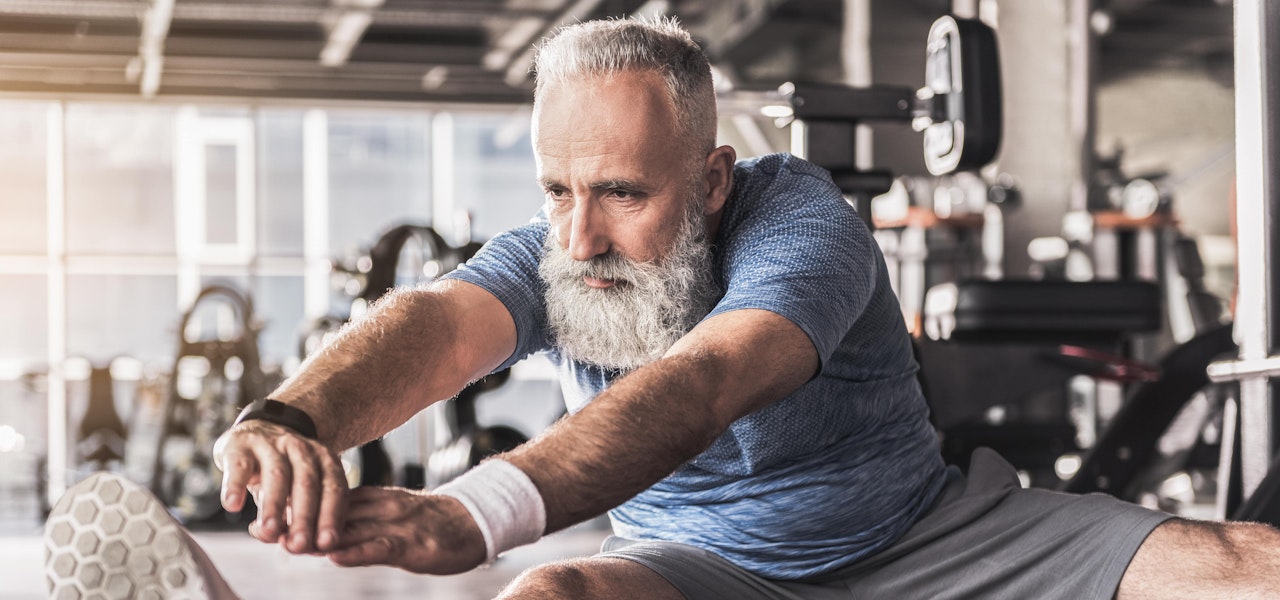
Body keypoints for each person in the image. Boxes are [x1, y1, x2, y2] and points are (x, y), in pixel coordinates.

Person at [48, 15, 1280, 600]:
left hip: (926, 541)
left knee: (1236, 569)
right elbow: (437, 323)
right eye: (556, 189)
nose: (577, 233)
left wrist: (476, 511)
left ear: (708, 179)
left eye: (621, 192)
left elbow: (701, 386)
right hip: (701, 564)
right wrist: (290, 414)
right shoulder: (560, 244)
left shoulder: (806, 226)